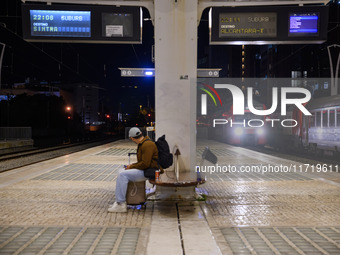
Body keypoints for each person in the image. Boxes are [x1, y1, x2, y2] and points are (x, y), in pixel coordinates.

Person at [108, 127, 159, 213]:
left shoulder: (147, 145)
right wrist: (132, 166)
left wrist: (131, 166)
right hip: (147, 169)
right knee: (120, 171)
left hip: (150, 171)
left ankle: (121, 204)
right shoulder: (144, 143)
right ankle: (118, 202)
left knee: (122, 174)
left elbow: (145, 164)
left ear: (132, 138)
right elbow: (144, 163)